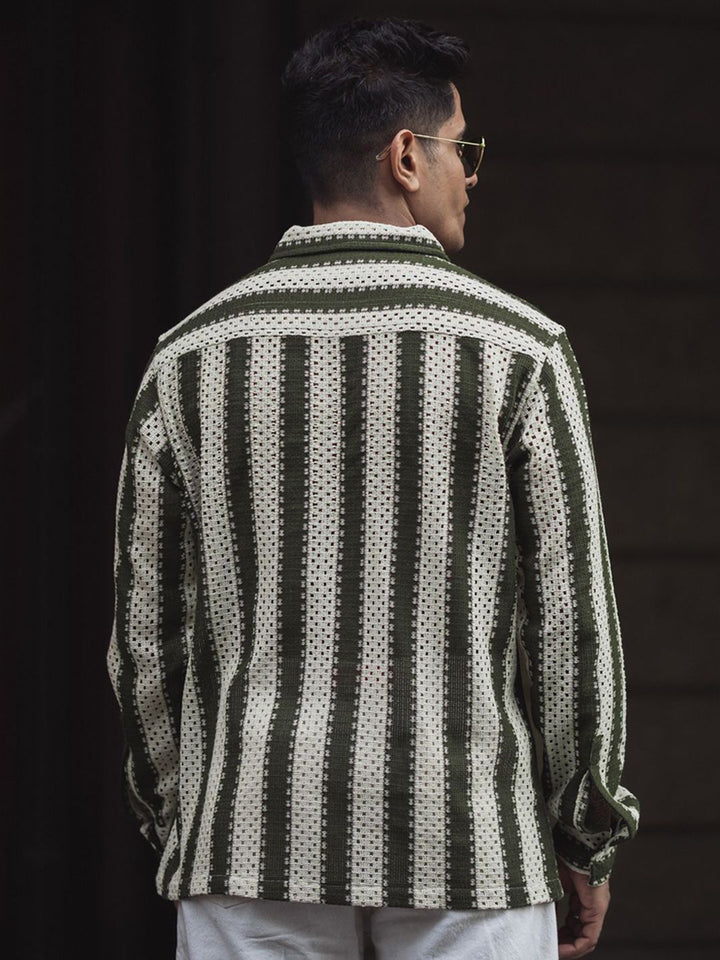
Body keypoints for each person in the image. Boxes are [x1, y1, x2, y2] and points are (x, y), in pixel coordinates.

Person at [107, 16, 639, 960]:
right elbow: (573, 633)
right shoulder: (521, 354)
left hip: (247, 847)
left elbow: (147, 639)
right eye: (461, 147)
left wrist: (184, 815)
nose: (471, 173)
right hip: (471, 850)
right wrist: (585, 834)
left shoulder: (188, 359)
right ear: (405, 156)